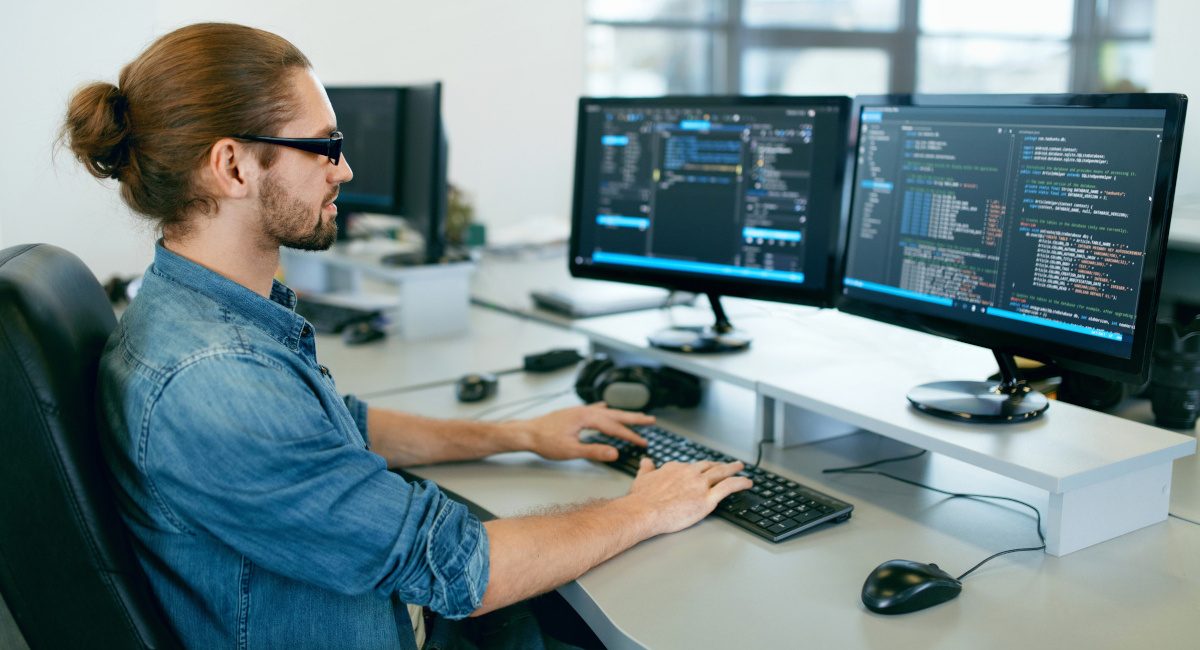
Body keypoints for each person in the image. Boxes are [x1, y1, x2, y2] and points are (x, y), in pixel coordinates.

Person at [63, 22, 751, 649]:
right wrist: (644, 509)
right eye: (323, 147)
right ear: (234, 167)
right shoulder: (216, 378)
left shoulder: (197, 310)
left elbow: (337, 430)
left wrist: (517, 435)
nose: (344, 170)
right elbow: (460, 569)